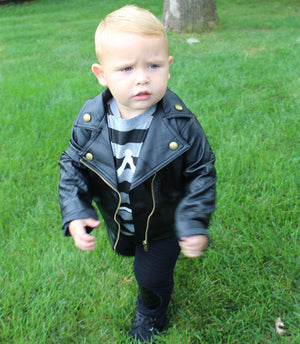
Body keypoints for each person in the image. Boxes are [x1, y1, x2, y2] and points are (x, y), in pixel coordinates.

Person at [59, 5, 216, 343]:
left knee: (150, 275)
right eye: (127, 68)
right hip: (123, 217)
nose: (142, 77)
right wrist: (75, 211)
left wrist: (191, 220)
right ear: (102, 74)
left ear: (169, 67)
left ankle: (151, 311)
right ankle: (132, 245)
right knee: (127, 249)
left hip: (163, 224)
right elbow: (72, 164)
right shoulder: (91, 122)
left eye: (153, 66)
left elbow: (202, 172)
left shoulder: (180, 125)